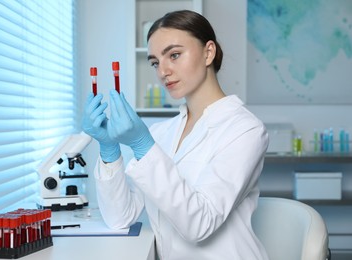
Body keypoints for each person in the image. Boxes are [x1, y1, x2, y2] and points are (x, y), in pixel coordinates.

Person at [82, 10, 269, 260]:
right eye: (155, 62)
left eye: (175, 55)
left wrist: (142, 145)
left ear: (208, 52)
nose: (163, 71)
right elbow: (120, 218)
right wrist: (109, 150)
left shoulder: (245, 131)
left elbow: (200, 224)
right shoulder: (162, 132)